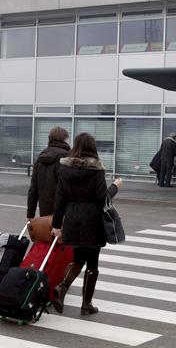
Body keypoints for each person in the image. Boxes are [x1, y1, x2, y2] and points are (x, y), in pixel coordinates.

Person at [50, 132, 122, 316]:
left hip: (73, 219)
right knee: (92, 262)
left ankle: (62, 288)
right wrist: (115, 186)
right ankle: (86, 303)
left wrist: (56, 225)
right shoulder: (96, 169)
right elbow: (102, 199)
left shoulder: (65, 168)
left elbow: (60, 199)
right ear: (92, 147)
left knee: (78, 258)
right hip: (92, 220)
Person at [26, 127, 70, 219]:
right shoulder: (67, 157)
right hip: (63, 212)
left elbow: (33, 189)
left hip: (45, 211)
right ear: (64, 139)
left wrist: (30, 214)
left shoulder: (41, 156)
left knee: (46, 232)